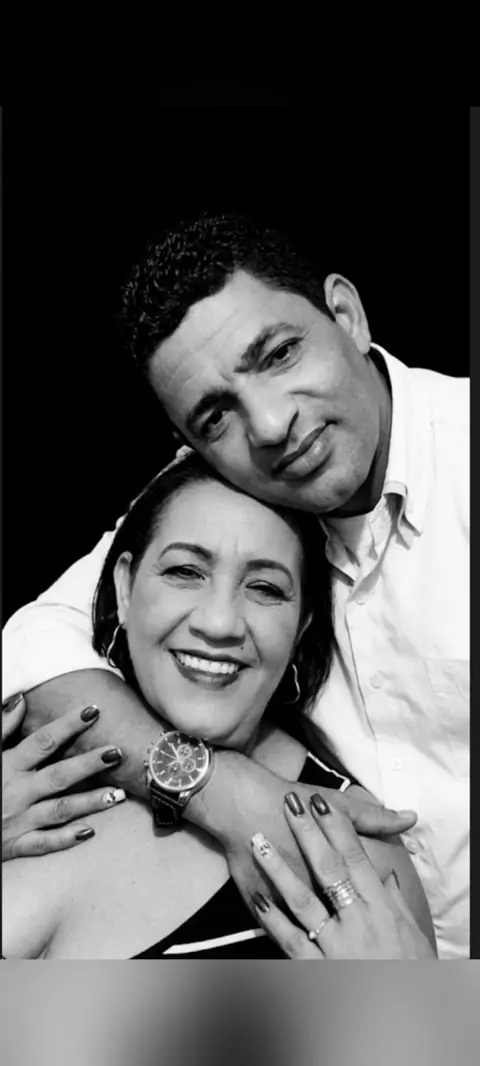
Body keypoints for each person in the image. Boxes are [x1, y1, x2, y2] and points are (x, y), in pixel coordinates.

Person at [2, 210, 468, 958]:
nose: (272, 424)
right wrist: (219, 790)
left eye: (279, 354)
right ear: (190, 444)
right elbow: (33, 643)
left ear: (346, 315)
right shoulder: (223, 494)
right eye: (217, 415)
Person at [2, 452, 435, 958]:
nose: (219, 622)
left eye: (265, 588)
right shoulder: (23, 768)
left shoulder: (354, 849)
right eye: (185, 571)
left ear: (302, 626)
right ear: (124, 588)